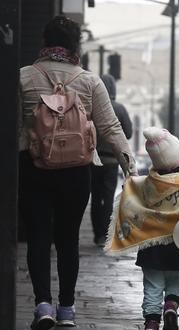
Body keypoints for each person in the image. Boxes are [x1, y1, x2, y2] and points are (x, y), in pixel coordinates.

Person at [18, 16, 136, 328]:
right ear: (75, 46)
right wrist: (130, 168)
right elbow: (111, 128)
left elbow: (13, 128)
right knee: (68, 239)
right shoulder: (90, 81)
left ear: (44, 43)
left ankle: (43, 305)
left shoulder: (24, 77)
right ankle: (67, 310)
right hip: (76, 170)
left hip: (33, 167)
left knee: (38, 237)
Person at [136, 128, 179, 330]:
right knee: (177, 279)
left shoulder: (148, 185)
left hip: (152, 245)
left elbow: (134, 206)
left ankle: (152, 322)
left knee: (153, 286)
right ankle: (171, 305)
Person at [91, 74, 133, 247]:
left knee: (95, 197)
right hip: (112, 160)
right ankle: (107, 234)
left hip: (93, 160)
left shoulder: (92, 106)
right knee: (108, 197)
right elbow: (128, 133)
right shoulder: (120, 109)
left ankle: (98, 234)